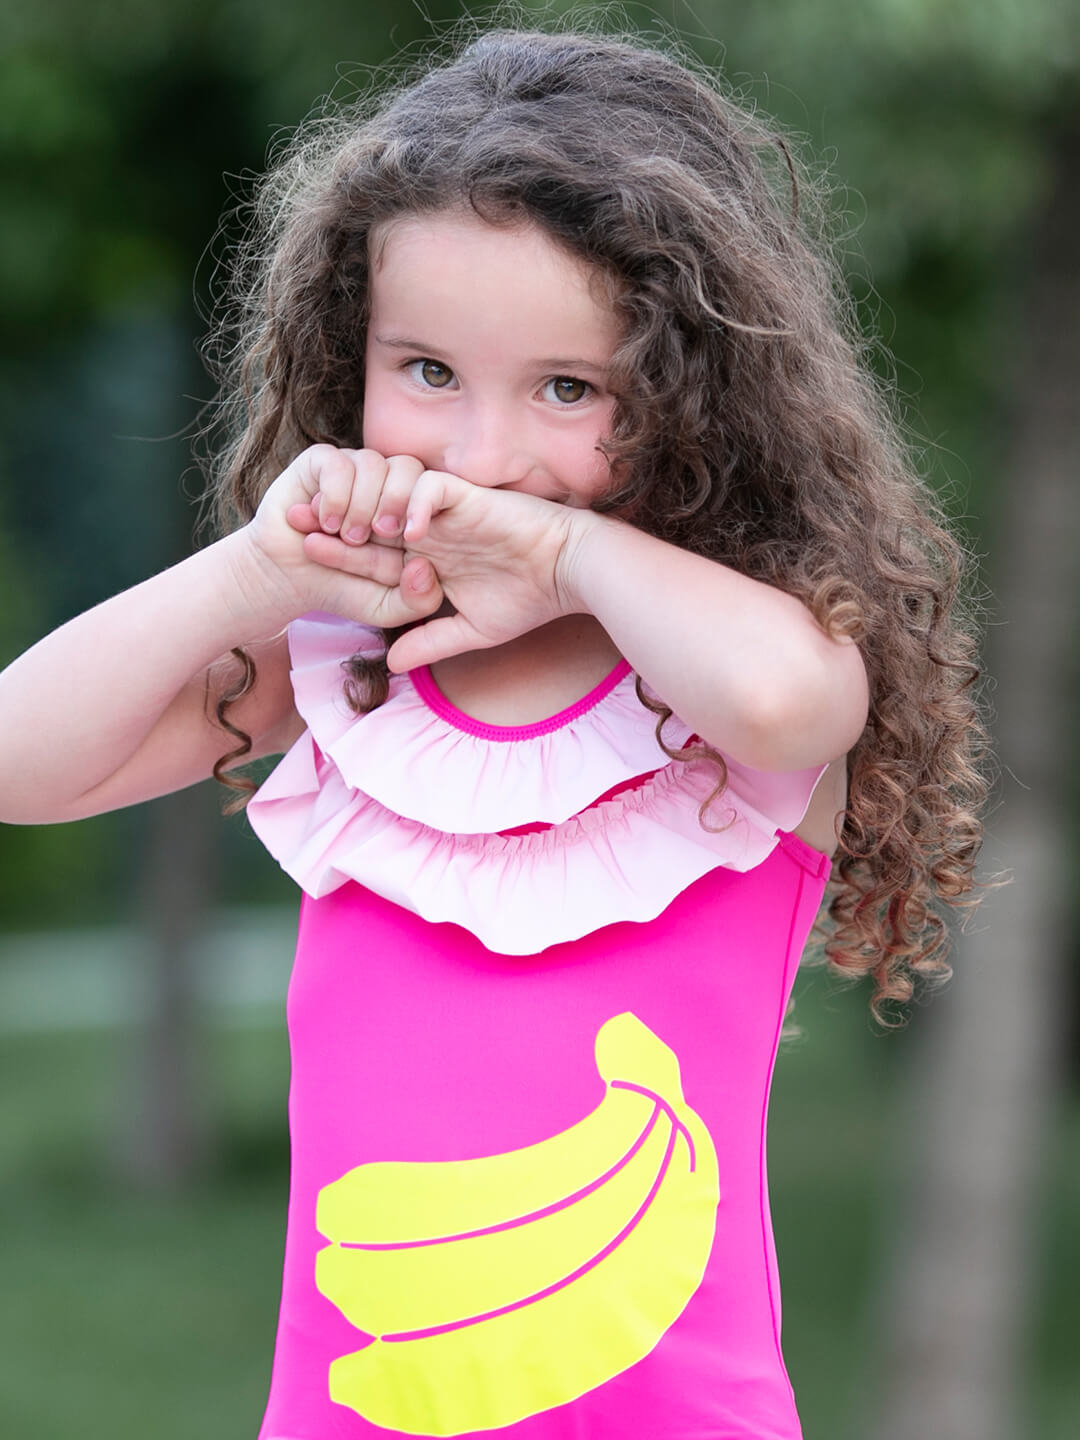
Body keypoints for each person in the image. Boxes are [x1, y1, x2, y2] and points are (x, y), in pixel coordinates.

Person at [0, 23, 989, 1440]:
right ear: (352, 358)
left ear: (693, 393)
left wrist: (558, 555)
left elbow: (788, 702)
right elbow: (19, 761)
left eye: (568, 390)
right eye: (427, 372)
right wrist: (264, 569)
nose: (478, 459)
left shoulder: (728, 661)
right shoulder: (344, 661)